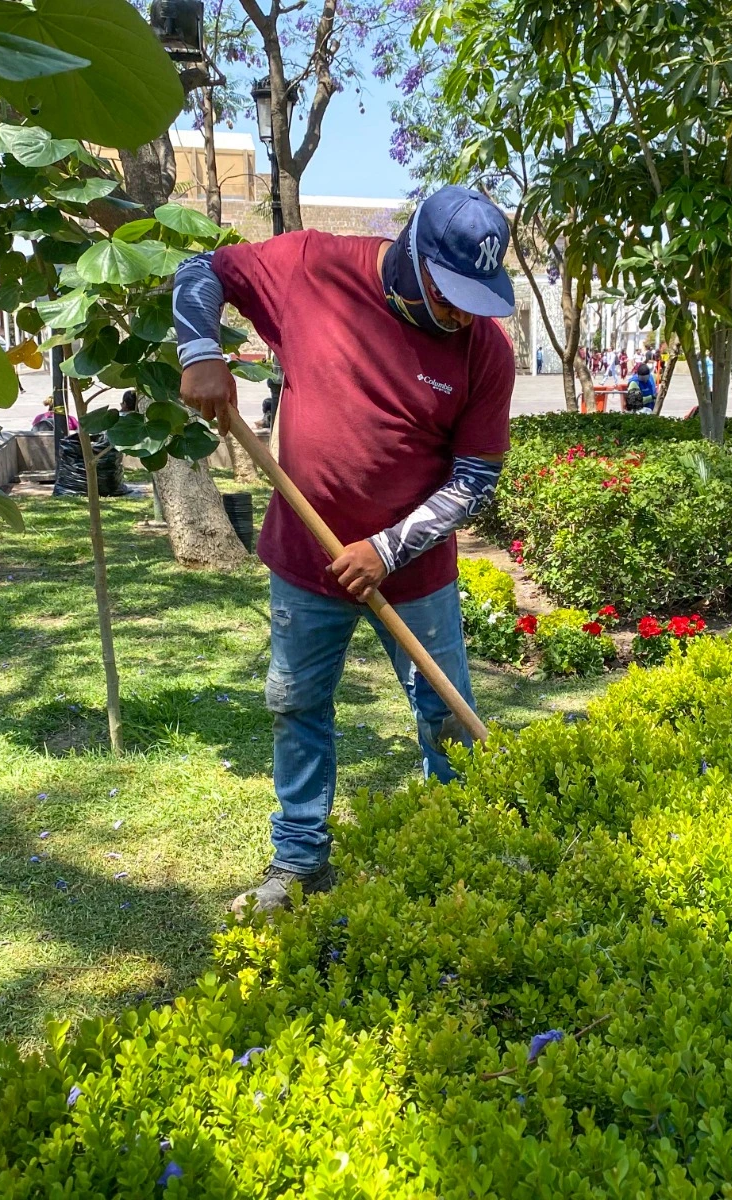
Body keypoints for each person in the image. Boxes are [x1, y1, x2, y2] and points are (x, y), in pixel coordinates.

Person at [174, 184, 515, 919]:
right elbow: (202, 271)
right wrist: (200, 350)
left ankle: (457, 843)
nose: (462, 314)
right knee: (297, 703)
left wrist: (387, 550)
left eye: (475, 298)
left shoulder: (485, 348)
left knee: (445, 714)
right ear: (412, 257)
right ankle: (300, 859)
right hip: (307, 558)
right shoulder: (312, 269)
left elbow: (475, 479)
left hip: (415, 572)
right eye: (450, 295)